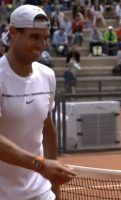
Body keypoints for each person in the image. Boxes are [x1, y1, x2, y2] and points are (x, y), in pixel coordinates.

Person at [0, 4, 76, 200]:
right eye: (34, 37)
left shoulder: (47, 75)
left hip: (40, 190)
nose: (41, 45)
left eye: (45, 38)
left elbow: (47, 126)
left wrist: (54, 185)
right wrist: (41, 165)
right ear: (13, 33)